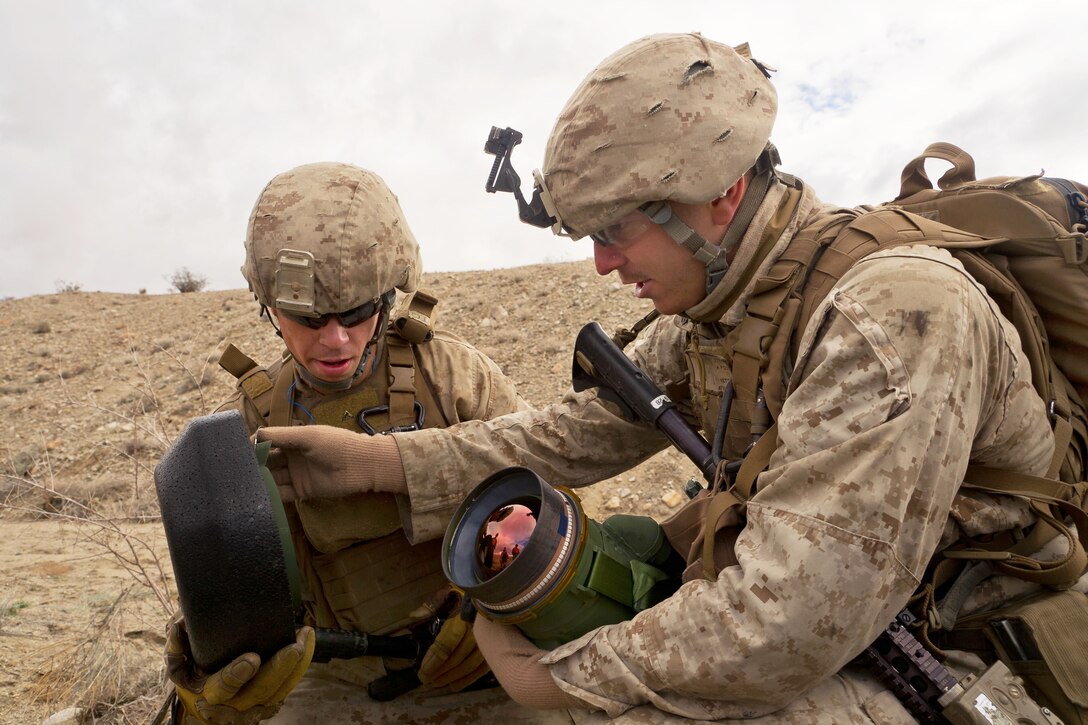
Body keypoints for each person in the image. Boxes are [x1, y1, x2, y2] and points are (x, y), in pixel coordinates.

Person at [256, 35, 1087, 722]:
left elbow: (788, 618)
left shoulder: (893, 313)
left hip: (977, 642)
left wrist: (563, 680)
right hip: (873, 606)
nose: (603, 262)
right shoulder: (725, 302)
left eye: (617, 230)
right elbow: (578, 429)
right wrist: (382, 464)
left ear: (721, 193)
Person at [162, 162, 571, 724]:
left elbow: (560, 505)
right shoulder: (247, 423)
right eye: (309, 318)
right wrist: (209, 662)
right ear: (270, 308)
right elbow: (235, 586)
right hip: (333, 681)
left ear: (387, 297)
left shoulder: (452, 376)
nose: (336, 339)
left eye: (356, 313)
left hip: (487, 664)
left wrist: (500, 619)